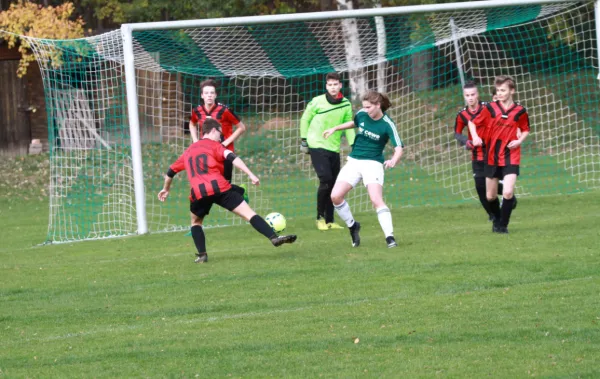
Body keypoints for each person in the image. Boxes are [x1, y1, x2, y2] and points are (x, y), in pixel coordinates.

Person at [159, 118, 297, 263]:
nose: (221, 136)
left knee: (196, 222)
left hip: (199, 193)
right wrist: (250, 174)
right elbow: (232, 157)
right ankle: (274, 237)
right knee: (249, 214)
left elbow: (170, 172)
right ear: (213, 130)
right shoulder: (214, 145)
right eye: (220, 132)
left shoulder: (188, 151)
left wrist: (165, 189)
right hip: (220, 187)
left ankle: (202, 255)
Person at [322, 91, 404, 248]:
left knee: (376, 200)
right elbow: (354, 123)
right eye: (364, 107)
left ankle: (390, 238)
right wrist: (335, 128)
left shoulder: (387, 124)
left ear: (378, 105)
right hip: (354, 162)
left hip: (373, 164)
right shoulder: (362, 114)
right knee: (335, 196)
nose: (365, 110)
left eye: (368, 107)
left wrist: (393, 160)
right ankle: (353, 226)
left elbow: (399, 147)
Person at [469, 75, 530, 234]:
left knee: (508, 192)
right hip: (492, 157)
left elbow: (525, 129)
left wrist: (519, 141)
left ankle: (502, 225)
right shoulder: (490, 108)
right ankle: (496, 219)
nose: (500, 93)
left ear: (512, 91)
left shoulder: (520, 111)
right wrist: (475, 137)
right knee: (490, 196)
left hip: (511, 155)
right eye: (498, 90)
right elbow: (472, 122)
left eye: (503, 90)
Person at [300, 72, 356, 231]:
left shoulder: (345, 104)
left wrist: (354, 145)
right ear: (326, 86)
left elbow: (349, 126)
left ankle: (330, 220)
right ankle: (320, 218)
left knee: (334, 184)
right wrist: (304, 139)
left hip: (333, 147)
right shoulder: (317, 102)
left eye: (335, 84)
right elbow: (305, 119)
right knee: (326, 180)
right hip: (316, 144)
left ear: (340, 85)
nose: (332, 87)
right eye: (329, 85)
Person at [454, 81, 503, 221]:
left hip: (493, 153)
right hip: (477, 156)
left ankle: (507, 193)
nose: (470, 98)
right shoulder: (462, 114)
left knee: (491, 185)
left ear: (478, 94)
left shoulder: (488, 108)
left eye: (473, 94)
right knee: (480, 188)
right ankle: (493, 215)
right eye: (467, 95)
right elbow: (457, 133)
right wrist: (466, 141)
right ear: (464, 96)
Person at [189, 79, 247, 189]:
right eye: (206, 93)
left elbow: (241, 127)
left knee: (225, 187)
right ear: (202, 95)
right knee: (207, 185)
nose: (209, 95)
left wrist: (225, 143)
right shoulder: (197, 111)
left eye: (212, 93)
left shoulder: (224, 110)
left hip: (224, 154)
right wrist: (196, 141)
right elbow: (192, 124)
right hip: (207, 153)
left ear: (215, 95)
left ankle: (240, 192)